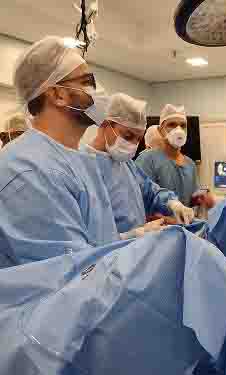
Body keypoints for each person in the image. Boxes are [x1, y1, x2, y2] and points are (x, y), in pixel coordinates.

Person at [0, 36, 190, 267]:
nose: (98, 92)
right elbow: (71, 276)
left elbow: (98, 245)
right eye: (87, 81)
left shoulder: (80, 159)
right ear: (58, 94)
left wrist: (133, 238)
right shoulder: (27, 171)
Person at [82, 93, 194, 238]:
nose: (133, 144)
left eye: (138, 139)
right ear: (105, 125)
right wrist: (130, 235)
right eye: (128, 136)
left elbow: (150, 191)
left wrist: (173, 204)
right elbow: (87, 237)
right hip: (109, 256)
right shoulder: (83, 166)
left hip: (136, 252)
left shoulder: (125, 163)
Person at [135, 104, 215, 210]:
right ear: (160, 130)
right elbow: (141, 202)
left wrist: (202, 198)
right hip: (159, 226)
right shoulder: (147, 160)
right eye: (172, 124)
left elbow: (191, 201)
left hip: (186, 224)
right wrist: (168, 220)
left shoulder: (190, 164)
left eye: (183, 125)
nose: (178, 129)